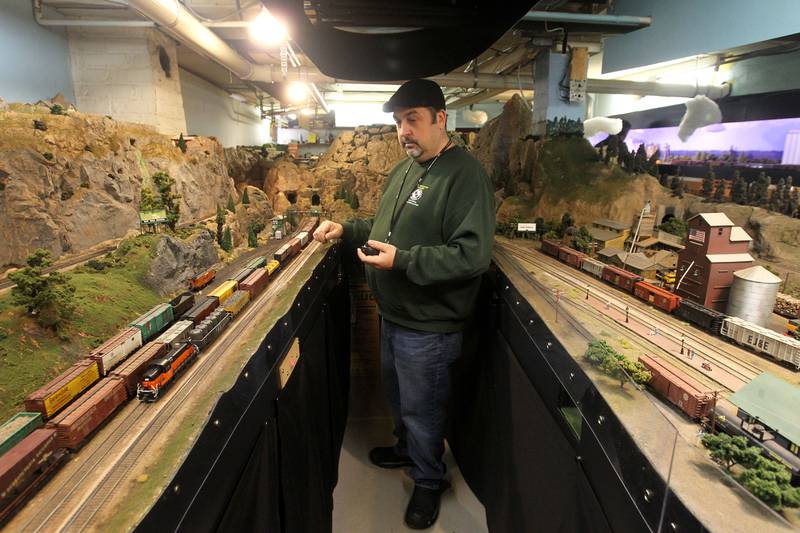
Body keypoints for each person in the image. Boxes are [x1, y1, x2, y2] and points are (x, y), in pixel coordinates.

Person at [313, 79, 494, 529]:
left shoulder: (465, 175)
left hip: (430, 325)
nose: (404, 131)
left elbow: (471, 255)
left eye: (413, 119)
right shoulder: (406, 170)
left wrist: (406, 261)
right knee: (399, 399)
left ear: (440, 119)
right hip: (395, 315)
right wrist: (348, 229)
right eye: (398, 122)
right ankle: (404, 448)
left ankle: (429, 480)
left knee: (423, 409)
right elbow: (383, 227)